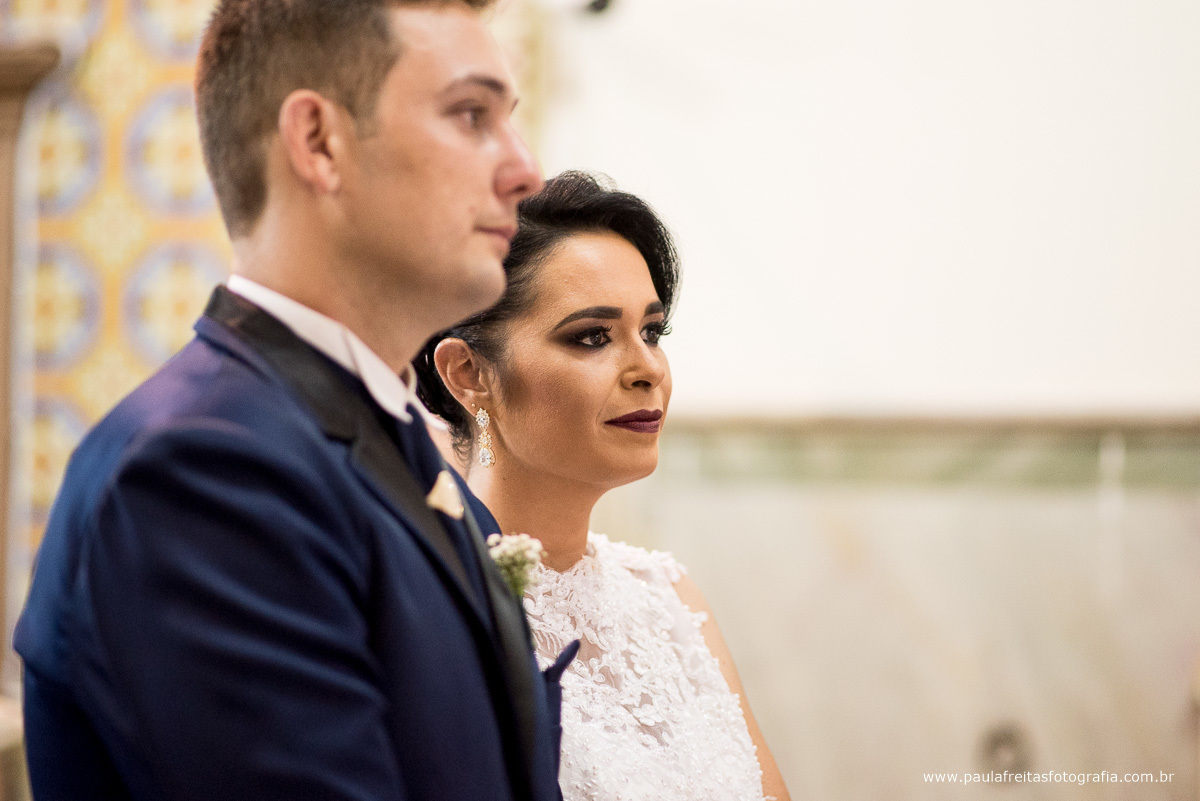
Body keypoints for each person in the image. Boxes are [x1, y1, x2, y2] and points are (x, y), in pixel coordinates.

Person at [14, 2, 576, 799]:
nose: (526, 171)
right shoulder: (201, 473)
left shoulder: (392, 447)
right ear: (318, 142)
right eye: (470, 115)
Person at [415, 171, 792, 801]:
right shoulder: (436, 607)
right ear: (469, 373)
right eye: (592, 337)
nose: (647, 369)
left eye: (651, 331)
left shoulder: (671, 600)